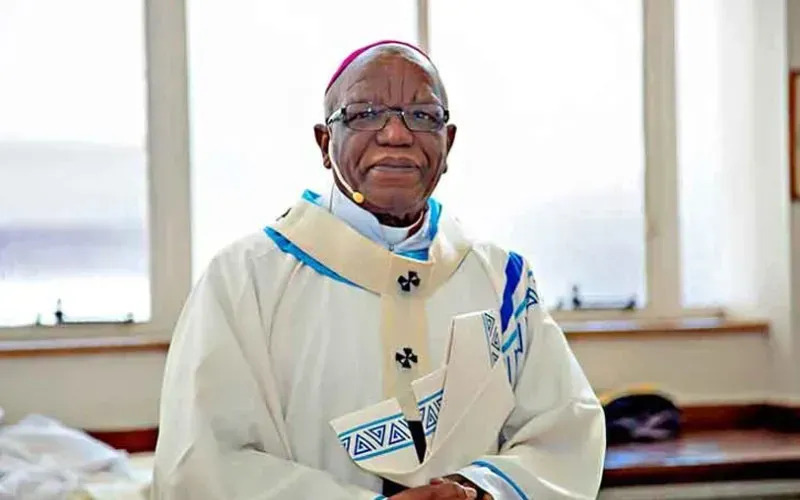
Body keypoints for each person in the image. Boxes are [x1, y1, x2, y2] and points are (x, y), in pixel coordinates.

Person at [152, 40, 605, 500]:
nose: (395, 134)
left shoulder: (500, 280)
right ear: (325, 143)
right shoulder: (244, 280)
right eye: (364, 113)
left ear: (447, 145)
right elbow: (202, 461)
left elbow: (565, 432)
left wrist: (480, 491)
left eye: (423, 116)